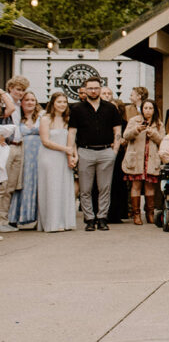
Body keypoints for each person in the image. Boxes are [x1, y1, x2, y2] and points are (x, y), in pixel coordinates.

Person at [69, 77, 122, 231]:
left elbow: (117, 130)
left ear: (100, 89)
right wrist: (73, 152)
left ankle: (102, 217)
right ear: (85, 90)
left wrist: (115, 150)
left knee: (104, 187)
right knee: (85, 189)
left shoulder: (110, 108)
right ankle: (89, 219)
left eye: (96, 88)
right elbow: (72, 132)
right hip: (85, 151)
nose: (93, 91)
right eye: (90, 88)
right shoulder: (77, 109)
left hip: (106, 151)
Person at [38, 93, 77, 232]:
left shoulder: (68, 119)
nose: (62, 104)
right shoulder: (45, 119)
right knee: (52, 188)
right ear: (53, 103)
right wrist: (66, 149)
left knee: (64, 187)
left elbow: (72, 140)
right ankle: (52, 223)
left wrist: (74, 155)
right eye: (59, 101)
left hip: (64, 157)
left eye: (65, 102)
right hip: (49, 157)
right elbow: (45, 141)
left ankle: (64, 221)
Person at [122, 98, 164, 225]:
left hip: (151, 158)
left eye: (150, 108)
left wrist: (154, 134)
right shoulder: (134, 121)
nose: (148, 111)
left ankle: (150, 213)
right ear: (142, 109)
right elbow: (126, 136)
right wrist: (137, 130)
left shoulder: (159, 124)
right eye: (145, 108)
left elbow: (163, 141)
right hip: (136, 158)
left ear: (154, 110)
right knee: (136, 185)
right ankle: (136, 214)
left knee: (150, 186)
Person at [7, 91, 41, 229]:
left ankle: (36, 217)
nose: (30, 102)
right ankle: (15, 217)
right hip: (22, 155)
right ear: (21, 102)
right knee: (20, 184)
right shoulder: (17, 117)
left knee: (37, 184)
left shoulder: (41, 116)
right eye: (27, 100)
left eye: (33, 100)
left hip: (39, 155)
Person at [0, 75, 30, 233]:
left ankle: (4, 219)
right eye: (18, 89)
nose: (20, 93)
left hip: (19, 146)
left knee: (12, 185)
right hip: (6, 145)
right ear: (10, 88)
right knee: (3, 185)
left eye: (23, 90)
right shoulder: (4, 103)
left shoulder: (21, 105)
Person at [106, 97, 130, 223]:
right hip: (105, 154)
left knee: (118, 184)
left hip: (119, 156)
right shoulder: (104, 122)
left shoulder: (125, 123)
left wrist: (121, 142)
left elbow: (126, 138)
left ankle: (118, 213)